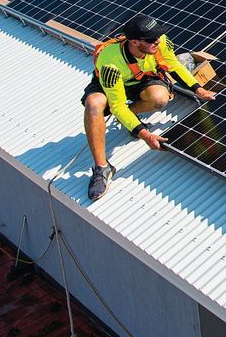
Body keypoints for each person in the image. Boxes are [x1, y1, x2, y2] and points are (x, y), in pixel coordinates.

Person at [82, 13, 215, 201]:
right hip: (113, 85)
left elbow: (173, 64)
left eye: (158, 35)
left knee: (159, 99)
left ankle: (130, 121)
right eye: (152, 38)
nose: (158, 41)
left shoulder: (160, 42)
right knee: (94, 104)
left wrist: (198, 89)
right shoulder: (110, 63)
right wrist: (145, 135)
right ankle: (102, 167)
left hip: (141, 79)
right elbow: (117, 105)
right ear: (135, 42)